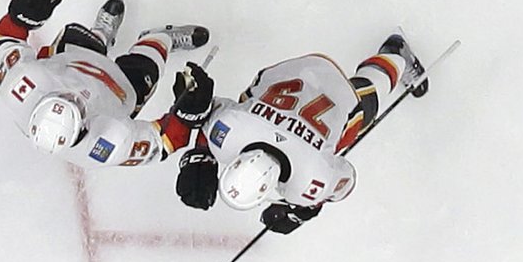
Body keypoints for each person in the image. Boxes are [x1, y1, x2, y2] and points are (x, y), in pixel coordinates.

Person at [167, 34, 427, 231]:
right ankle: (392, 59)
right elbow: (211, 116)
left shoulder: (309, 182)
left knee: (361, 109)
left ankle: (396, 57)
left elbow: (345, 180)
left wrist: (305, 209)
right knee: (251, 99)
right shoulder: (229, 129)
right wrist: (203, 153)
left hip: (330, 89)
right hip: (287, 73)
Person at [0, 0, 209, 166]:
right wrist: (187, 112)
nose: (75, 96)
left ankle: (101, 34)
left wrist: (21, 18)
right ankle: (162, 38)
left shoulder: (20, 86)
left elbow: (5, 38)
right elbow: (162, 143)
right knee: (151, 56)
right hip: (121, 91)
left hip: (74, 59)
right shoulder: (107, 145)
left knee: (90, 41)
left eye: (63, 97)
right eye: (78, 107)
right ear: (83, 128)